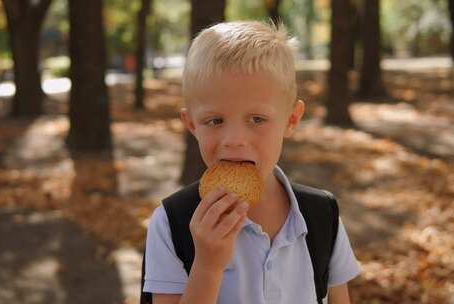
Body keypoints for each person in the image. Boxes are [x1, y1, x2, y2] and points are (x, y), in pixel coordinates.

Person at [142, 21, 360, 304]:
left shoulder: (322, 216)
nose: (234, 139)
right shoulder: (172, 223)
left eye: (257, 119)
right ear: (192, 125)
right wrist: (207, 266)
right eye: (215, 120)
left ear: (291, 120)